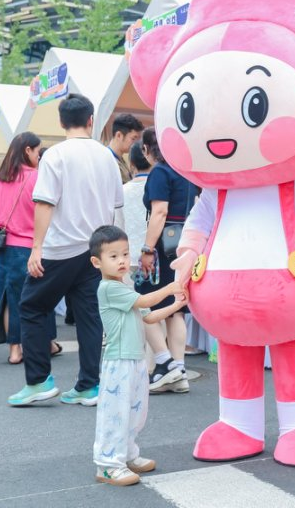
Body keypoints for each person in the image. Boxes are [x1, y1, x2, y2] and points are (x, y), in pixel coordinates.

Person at [8, 93, 124, 407]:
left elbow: (45, 203)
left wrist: (36, 248)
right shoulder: (107, 157)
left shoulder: (55, 155)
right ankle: (89, 385)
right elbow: (116, 207)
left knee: (32, 307)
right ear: (91, 121)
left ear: (61, 122)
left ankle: (38, 381)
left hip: (60, 248)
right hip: (96, 250)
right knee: (90, 317)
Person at [90, 225, 186, 486]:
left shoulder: (125, 288)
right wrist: (169, 288)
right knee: (116, 413)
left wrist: (176, 305)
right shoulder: (108, 288)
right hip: (119, 361)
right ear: (97, 262)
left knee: (135, 411)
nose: (122, 260)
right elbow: (144, 303)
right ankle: (108, 464)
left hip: (134, 359)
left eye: (124, 254)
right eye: (113, 256)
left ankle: (126, 454)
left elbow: (150, 317)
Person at [0, 132, 58, 364]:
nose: (39, 156)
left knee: (9, 299)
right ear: (28, 150)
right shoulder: (38, 177)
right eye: (37, 151)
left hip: (6, 249)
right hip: (34, 248)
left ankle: (14, 350)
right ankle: (47, 343)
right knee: (41, 297)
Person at [137, 127, 195, 393]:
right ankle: (179, 370)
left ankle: (164, 362)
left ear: (147, 149)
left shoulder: (160, 172)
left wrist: (147, 249)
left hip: (162, 247)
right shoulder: (186, 171)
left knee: (143, 304)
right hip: (184, 245)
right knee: (176, 307)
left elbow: (159, 212)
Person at [121, 142, 151, 281]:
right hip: (155, 255)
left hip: (128, 256)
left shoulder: (121, 191)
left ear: (131, 164)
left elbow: (117, 225)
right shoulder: (162, 190)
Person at [107, 113, 145, 184]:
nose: (136, 143)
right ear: (119, 135)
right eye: (133, 138)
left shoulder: (120, 159)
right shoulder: (108, 161)